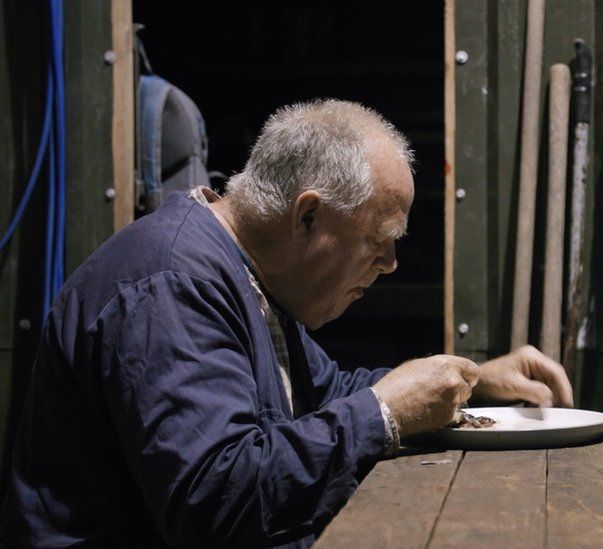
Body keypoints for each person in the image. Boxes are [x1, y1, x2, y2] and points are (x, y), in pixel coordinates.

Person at [0, 100, 573, 547]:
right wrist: (385, 414)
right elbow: (212, 500)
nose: (392, 265)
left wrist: (470, 379)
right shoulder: (173, 283)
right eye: (379, 241)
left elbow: (322, 396)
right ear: (308, 216)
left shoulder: (245, 275)